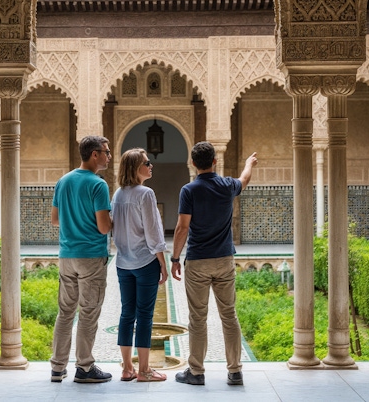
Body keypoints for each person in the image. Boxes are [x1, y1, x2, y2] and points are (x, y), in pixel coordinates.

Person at [171, 141, 258, 386]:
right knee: (229, 315)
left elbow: (182, 227)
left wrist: (175, 258)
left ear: (192, 163)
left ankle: (196, 372)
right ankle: (235, 371)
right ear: (214, 161)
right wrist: (249, 164)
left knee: (198, 318)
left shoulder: (189, 190)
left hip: (198, 261)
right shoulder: (227, 185)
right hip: (224, 259)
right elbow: (244, 179)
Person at [50, 135, 113, 384]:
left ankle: (57, 367)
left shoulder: (63, 181)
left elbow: (55, 220)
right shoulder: (98, 185)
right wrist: (113, 220)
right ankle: (84, 367)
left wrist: (74, 221)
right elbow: (104, 227)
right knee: (88, 312)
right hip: (90, 257)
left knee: (65, 312)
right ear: (94, 154)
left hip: (67, 256)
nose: (108, 156)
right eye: (106, 152)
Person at [110, 148, 169, 382]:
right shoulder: (145, 194)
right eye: (147, 162)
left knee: (127, 314)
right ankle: (144, 370)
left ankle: (127, 369)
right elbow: (153, 233)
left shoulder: (118, 195)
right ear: (136, 168)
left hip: (123, 263)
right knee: (144, 316)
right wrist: (162, 263)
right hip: (145, 262)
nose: (151, 165)